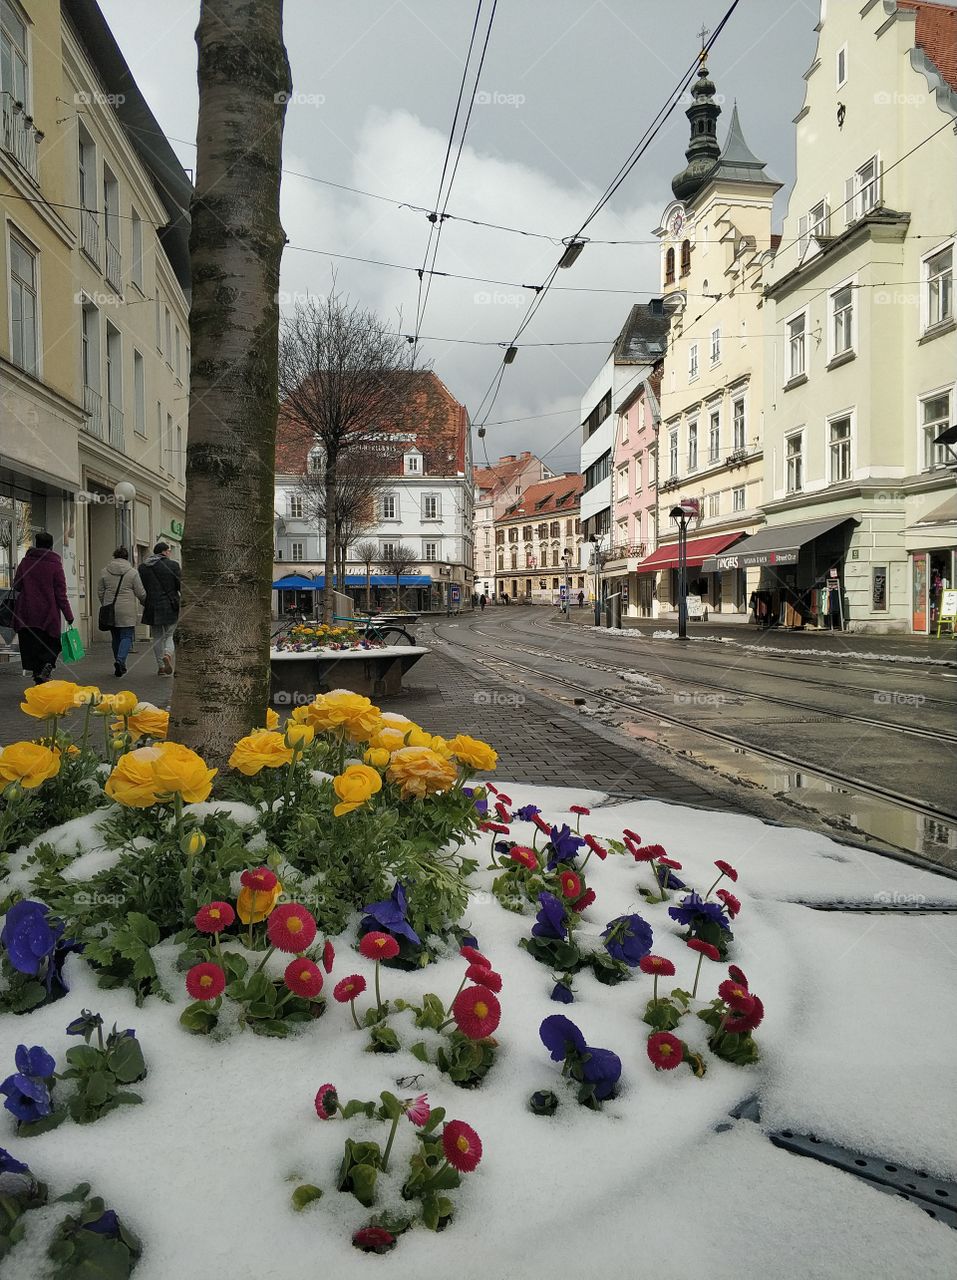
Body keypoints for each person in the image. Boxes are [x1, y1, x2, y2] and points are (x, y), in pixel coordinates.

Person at [11, 531, 74, 683]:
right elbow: (61, 594)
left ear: (36, 544)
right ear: (51, 546)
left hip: (26, 613)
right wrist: (68, 615)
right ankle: (46, 667)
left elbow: (17, 585)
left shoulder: (25, 562)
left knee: (31, 645)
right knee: (51, 643)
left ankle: (37, 673)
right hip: (48, 614)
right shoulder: (55, 565)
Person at [98, 547, 145, 677]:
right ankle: (120, 660)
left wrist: (105, 604)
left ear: (114, 557)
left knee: (115, 637)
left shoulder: (104, 572)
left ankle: (119, 661)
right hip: (127, 610)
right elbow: (140, 592)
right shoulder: (132, 573)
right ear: (126, 557)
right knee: (127, 636)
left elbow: (100, 591)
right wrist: (145, 602)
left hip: (110, 609)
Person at [139, 541, 181, 676]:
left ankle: (161, 667)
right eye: (169, 550)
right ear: (164, 552)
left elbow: (143, 587)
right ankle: (168, 654)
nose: (169, 553)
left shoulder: (143, 567)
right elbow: (180, 585)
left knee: (157, 637)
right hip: (170, 605)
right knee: (169, 635)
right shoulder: (173, 565)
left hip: (152, 606)